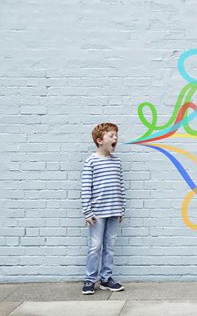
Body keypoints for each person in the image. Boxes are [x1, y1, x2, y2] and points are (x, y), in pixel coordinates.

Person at [81, 123, 126, 295]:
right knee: (95, 246)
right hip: (97, 214)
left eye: (116, 136)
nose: (115, 139)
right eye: (111, 136)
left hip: (114, 211)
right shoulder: (91, 161)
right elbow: (86, 188)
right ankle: (89, 279)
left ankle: (106, 278)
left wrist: (122, 208)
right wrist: (87, 211)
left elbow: (120, 186)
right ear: (100, 141)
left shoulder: (116, 161)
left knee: (110, 246)